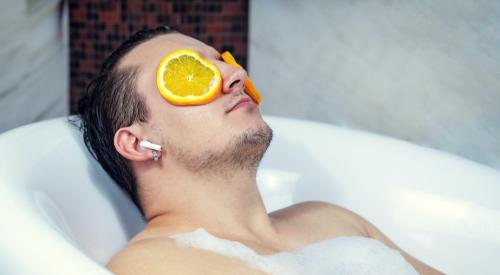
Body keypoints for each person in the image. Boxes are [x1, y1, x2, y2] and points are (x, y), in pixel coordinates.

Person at [77, 26, 443, 275]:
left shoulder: (332, 221)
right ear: (137, 143)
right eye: (188, 73)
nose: (235, 75)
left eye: (222, 61)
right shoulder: (149, 265)